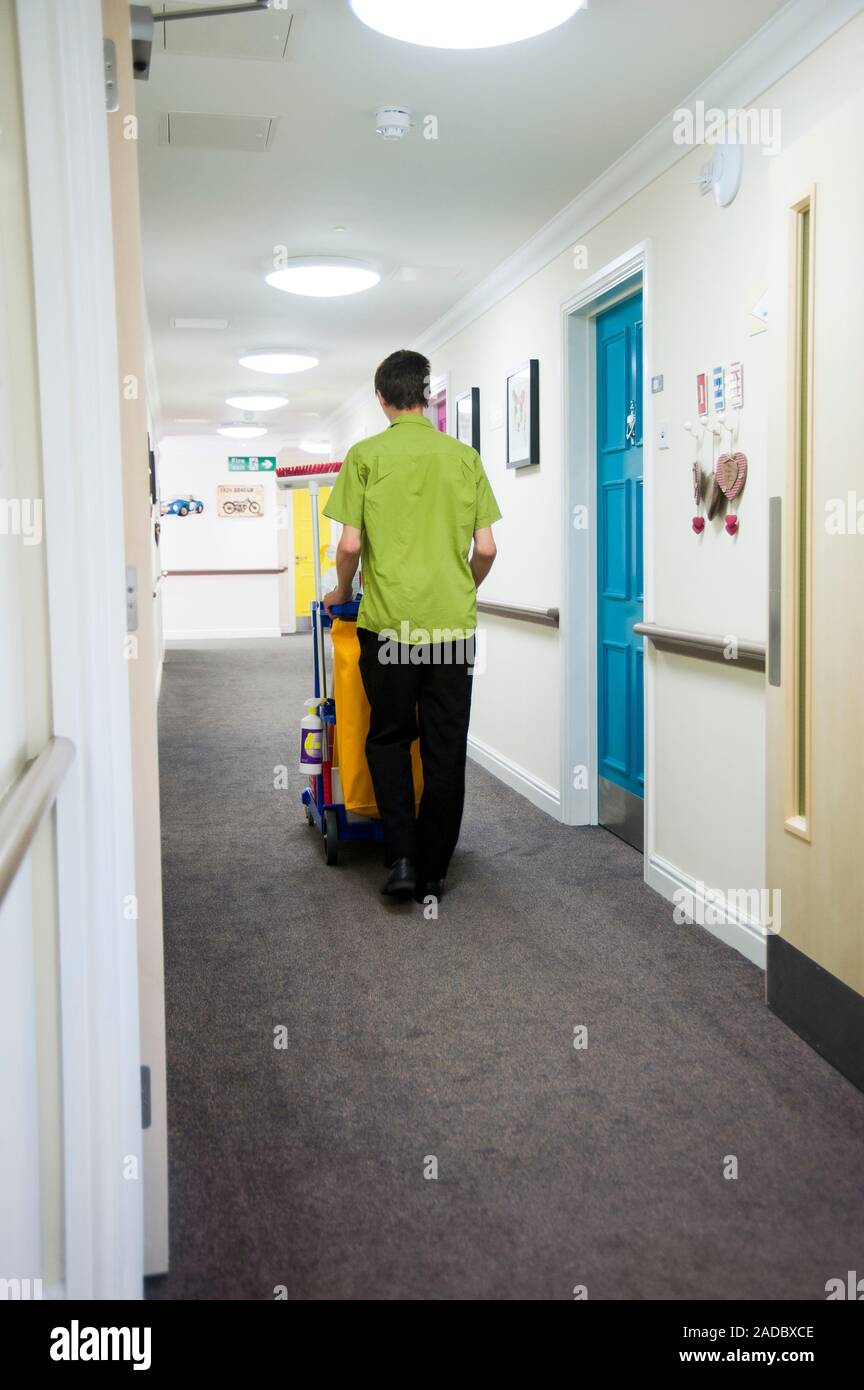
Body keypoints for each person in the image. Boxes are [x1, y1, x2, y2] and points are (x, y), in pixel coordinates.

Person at [322, 349, 501, 901]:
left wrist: (342, 590)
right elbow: (487, 549)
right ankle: (434, 869)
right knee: (446, 747)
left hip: (389, 630)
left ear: (381, 398)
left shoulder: (366, 455)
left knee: (391, 737)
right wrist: (459, 588)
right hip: (449, 632)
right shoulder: (463, 457)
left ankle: (399, 858)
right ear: (427, 395)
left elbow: (350, 543)